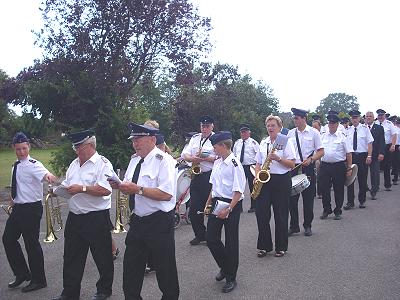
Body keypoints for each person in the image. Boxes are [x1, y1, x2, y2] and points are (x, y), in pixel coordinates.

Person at [109, 122, 179, 300]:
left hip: (159, 222)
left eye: (139, 139)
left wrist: (138, 189)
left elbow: (166, 194)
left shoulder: (164, 161)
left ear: (153, 139)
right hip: (138, 221)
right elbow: (128, 186)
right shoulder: (134, 160)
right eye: (133, 140)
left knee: (165, 269)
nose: (135, 143)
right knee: (131, 269)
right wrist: (119, 186)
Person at [53, 130, 114, 300]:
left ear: (90, 146)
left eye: (78, 146)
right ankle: (70, 293)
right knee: (71, 257)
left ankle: (103, 290)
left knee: (102, 256)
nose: (76, 150)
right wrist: (57, 190)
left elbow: (105, 189)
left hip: (96, 217)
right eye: (75, 147)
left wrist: (82, 189)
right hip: (75, 217)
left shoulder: (103, 163)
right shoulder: (74, 164)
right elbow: (67, 183)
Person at [2, 132, 56, 293]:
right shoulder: (15, 165)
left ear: (29, 147)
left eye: (24, 148)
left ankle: (39, 280)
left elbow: (47, 174)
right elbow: (17, 184)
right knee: (8, 239)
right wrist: (13, 199)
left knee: (31, 244)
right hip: (19, 207)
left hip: (31, 209)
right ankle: (22, 274)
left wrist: (50, 177)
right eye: (18, 149)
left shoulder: (34, 164)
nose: (21, 152)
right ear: (14, 148)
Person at [205, 131, 246, 293]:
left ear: (223, 146)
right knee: (211, 238)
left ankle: (231, 277)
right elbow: (213, 187)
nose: (213, 149)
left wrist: (229, 209)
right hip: (217, 201)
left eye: (215, 147)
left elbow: (238, 190)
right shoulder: (217, 162)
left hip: (232, 204)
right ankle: (225, 266)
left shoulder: (235, 164)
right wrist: (208, 204)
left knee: (231, 241)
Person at [254, 115, 296, 258]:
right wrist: (257, 176)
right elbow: (258, 163)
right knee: (262, 214)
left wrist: (278, 158)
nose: (270, 128)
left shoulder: (286, 142)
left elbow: (292, 164)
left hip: (281, 180)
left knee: (281, 214)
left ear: (279, 127)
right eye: (268, 125)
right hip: (264, 181)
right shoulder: (263, 142)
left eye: (273, 125)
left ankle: (281, 247)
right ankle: (264, 246)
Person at [288, 108, 324, 237]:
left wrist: (312, 159)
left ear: (304, 119)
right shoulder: (290, 133)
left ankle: (307, 225)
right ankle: (294, 226)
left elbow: (321, 151)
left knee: (308, 199)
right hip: (294, 167)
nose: (295, 120)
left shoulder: (314, 133)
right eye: (294, 118)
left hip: (308, 166)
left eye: (297, 118)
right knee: (292, 199)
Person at [182, 115, 217, 245]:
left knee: (211, 207)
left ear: (212, 126)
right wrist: (192, 159)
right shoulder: (195, 138)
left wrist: (204, 158)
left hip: (210, 175)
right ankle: (200, 234)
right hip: (196, 175)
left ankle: (212, 235)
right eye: (203, 126)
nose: (205, 128)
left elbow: (219, 157)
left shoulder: (216, 139)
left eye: (207, 126)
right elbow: (184, 154)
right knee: (194, 208)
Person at [319, 114, 352, 220]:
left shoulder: (342, 136)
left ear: (338, 124)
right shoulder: (323, 136)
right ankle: (326, 209)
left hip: (338, 166)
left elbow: (348, 153)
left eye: (333, 123)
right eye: (330, 123)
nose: (331, 125)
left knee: (339, 189)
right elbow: (319, 151)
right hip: (325, 166)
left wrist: (349, 168)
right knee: (324, 189)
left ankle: (338, 210)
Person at [343, 110, 374, 209]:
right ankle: (350, 202)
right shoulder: (348, 130)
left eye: (356, 117)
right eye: (352, 118)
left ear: (359, 118)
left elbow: (369, 143)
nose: (354, 119)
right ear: (351, 119)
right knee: (350, 179)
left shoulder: (365, 129)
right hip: (352, 156)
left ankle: (362, 200)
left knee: (362, 179)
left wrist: (369, 156)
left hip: (362, 156)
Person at [232, 123, 259, 213]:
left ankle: (254, 206)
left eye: (245, 132)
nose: (243, 134)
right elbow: (234, 155)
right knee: (239, 186)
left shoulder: (253, 143)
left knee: (252, 186)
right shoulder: (237, 143)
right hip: (240, 167)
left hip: (251, 166)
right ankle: (239, 207)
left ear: (249, 132)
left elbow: (259, 156)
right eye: (242, 132)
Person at [364, 111, 385, 200]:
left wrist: (381, 153)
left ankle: (374, 190)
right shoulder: (362, 128)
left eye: (370, 116)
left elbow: (381, 141)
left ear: (373, 118)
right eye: (367, 116)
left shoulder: (379, 128)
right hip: (364, 154)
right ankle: (364, 187)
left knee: (374, 173)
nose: (368, 118)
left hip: (375, 154)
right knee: (363, 173)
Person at [375, 109, 397, 191]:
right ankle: (375, 186)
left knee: (387, 166)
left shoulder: (389, 124)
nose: (380, 117)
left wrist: (393, 145)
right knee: (376, 167)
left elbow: (394, 135)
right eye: (379, 115)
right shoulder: (375, 123)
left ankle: (387, 185)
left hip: (387, 146)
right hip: (377, 147)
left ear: (384, 115)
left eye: (382, 115)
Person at [392, 118, 400, 185]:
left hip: (398, 146)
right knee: (394, 162)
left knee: (396, 162)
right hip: (392, 146)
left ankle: (395, 178)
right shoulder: (394, 128)